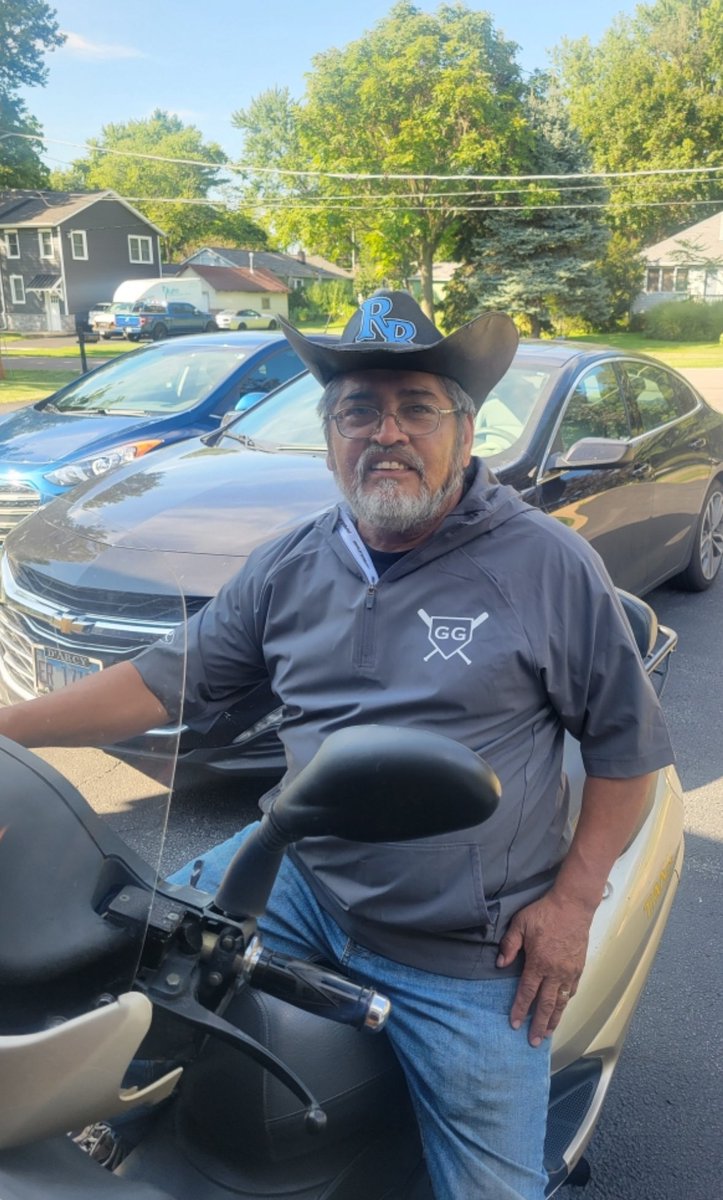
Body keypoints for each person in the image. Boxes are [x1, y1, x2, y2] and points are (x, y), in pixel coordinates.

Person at [0, 291, 674, 1200]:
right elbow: (157, 684)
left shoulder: (547, 566)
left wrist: (572, 905)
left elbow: (628, 750)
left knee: (492, 1188)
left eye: (415, 407)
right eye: (358, 409)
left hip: (463, 947)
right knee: (110, 962)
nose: (384, 431)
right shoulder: (291, 561)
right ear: (329, 439)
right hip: (298, 874)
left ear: (464, 433)